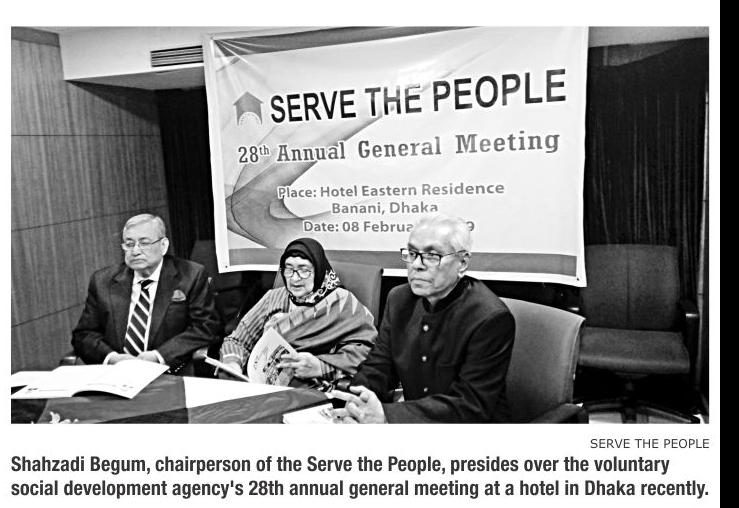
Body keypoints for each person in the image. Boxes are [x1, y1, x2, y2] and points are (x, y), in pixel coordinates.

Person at [331, 213, 515, 423]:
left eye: (432, 256)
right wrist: (357, 401)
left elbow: (470, 404)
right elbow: (379, 366)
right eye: (412, 253)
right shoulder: (399, 299)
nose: (417, 265)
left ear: (462, 263)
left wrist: (387, 416)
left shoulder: (489, 317)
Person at [72, 214, 221, 373]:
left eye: (144, 243)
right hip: (117, 374)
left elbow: (205, 328)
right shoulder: (103, 281)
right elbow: (84, 335)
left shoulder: (191, 275)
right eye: (129, 244)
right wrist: (112, 358)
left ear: (163, 245)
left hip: (169, 372)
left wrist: (159, 356)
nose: (135, 251)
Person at [218, 238, 377, 383]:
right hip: (266, 386)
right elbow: (237, 340)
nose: (294, 278)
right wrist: (233, 364)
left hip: (315, 386)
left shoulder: (341, 302)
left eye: (304, 270)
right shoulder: (274, 297)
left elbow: (366, 350)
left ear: (319, 270)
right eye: (289, 269)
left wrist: (321, 367)